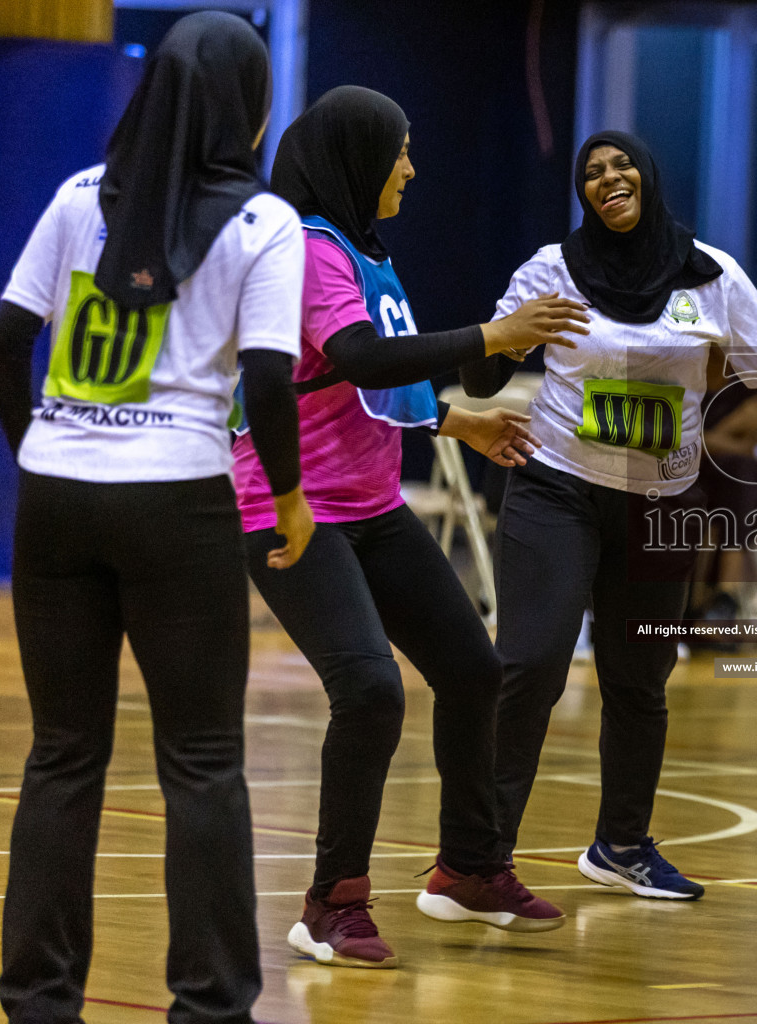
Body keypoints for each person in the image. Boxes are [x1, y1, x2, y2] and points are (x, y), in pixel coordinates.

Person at [0, 13, 313, 1022]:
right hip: (177, 501)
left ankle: (38, 1000)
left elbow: (7, 335)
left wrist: (37, 447)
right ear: (250, 108)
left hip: (56, 496)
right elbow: (268, 382)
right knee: (203, 760)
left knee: (61, 755)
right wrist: (294, 493)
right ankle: (211, 1004)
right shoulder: (265, 224)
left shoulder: (77, 196)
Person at [231, 86, 589, 969]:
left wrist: (452, 421)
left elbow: (363, 379)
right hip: (291, 510)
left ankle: (469, 870)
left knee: (474, 669)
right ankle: (329, 905)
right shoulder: (313, 251)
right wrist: (488, 336)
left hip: (374, 506)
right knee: (371, 690)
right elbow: (354, 357)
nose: (411, 168)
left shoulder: (364, 250)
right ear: (358, 158)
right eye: (399, 152)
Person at [463, 130, 757, 901]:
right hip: (558, 488)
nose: (608, 177)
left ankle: (622, 845)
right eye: (591, 171)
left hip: (660, 506)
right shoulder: (552, 270)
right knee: (533, 666)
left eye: (621, 165)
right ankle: (481, 856)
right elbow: (481, 379)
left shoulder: (713, 276)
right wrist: (505, 337)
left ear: (649, 175)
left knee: (640, 681)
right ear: (582, 192)